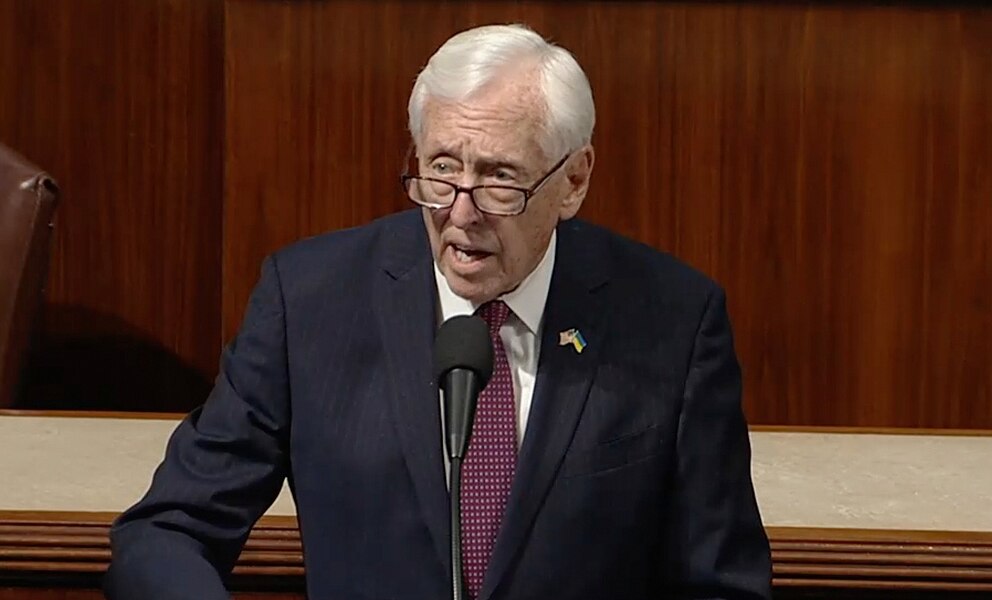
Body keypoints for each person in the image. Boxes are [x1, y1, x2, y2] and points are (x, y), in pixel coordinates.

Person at [104, 23, 772, 600]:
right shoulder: (309, 300)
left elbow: (721, 581)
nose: (461, 212)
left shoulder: (673, 320)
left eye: (501, 178)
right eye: (442, 169)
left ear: (573, 181)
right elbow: (168, 531)